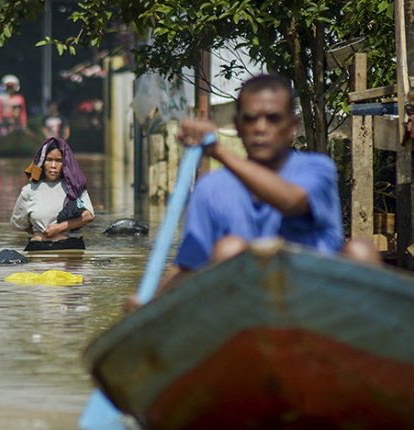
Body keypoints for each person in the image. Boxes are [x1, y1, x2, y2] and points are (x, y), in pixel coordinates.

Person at [132, 73, 379, 305]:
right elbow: (189, 268)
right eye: (250, 119)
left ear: (292, 126)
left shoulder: (317, 169)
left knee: (361, 251)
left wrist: (218, 151)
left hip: (317, 300)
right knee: (229, 251)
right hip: (245, 308)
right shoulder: (210, 188)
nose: (261, 128)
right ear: (238, 126)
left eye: (273, 118)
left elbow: (291, 201)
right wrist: (148, 302)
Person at [10, 137, 95, 251]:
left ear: (65, 163)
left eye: (59, 160)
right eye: (49, 159)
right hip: (38, 249)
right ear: (42, 162)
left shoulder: (74, 187)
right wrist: (40, 233)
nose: (53, 165)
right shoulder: (29, 191)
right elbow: (19, 222)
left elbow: (88, 216)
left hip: (69, 248)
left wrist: (59, 229)